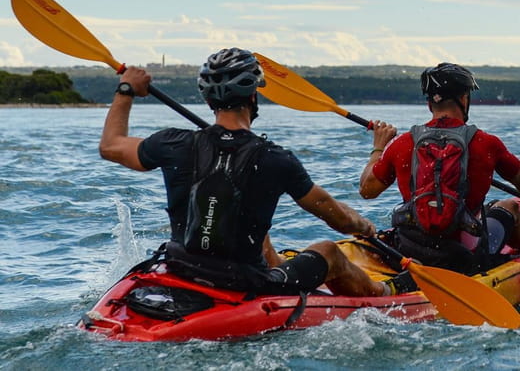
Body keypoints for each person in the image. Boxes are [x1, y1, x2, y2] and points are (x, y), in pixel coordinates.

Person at [99, 48, 402, 297]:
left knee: (253, 226)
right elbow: (338, 218)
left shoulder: (173, 143)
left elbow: (111, 146)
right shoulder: (275, 159)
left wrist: (126, 89)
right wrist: (364, 226)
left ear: (208, 100)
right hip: (244, 284)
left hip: (180, 268)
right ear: (253, 97)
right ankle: (385, 294)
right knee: (328, 252)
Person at [359, 62, 520, 273]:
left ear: (429, 104)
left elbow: (366, 190)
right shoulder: (487, 144)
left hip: (411, 248)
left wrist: (379, 147)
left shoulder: (403, 143)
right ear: (464, 99)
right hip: (463, 256)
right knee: (512, 205)